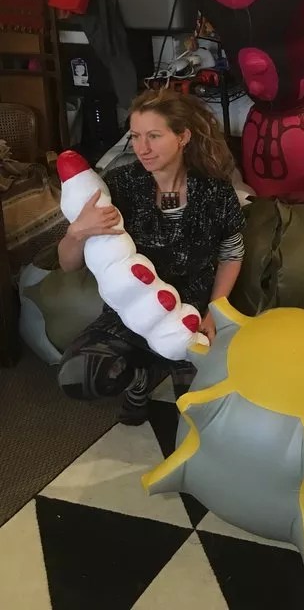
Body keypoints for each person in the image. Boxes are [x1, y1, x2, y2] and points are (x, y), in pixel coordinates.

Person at [57, 88, 245, 424]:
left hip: (191, 314)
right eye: (135, 136)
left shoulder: (215, 190)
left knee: (203, 414)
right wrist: (77, 232)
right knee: (78, 375)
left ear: (183, 137)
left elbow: (231, 253)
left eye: (154, 136)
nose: (142, 148)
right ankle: (139, 378)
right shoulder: (119, 185)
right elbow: (68, 264)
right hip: (130, 311)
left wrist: (216, 312)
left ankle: (172, 367)